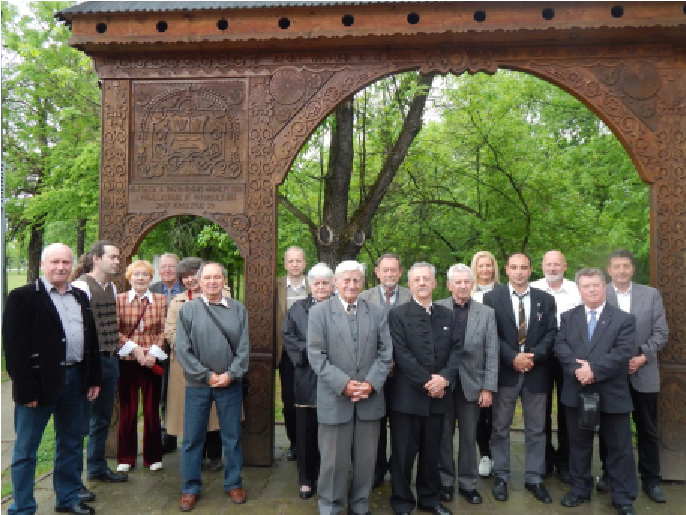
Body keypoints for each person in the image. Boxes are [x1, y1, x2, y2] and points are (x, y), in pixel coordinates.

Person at [3, 243, 101, 515]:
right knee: (26, 450)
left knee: (70, 443)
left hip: (75, 380)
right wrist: (25, 390)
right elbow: (14, 349)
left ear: (72, 265)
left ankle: (67, 498)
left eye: (66, 262)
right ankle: (23, 507)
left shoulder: (80, 296)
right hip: (38, 386)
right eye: (55, 262)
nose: (60, 267)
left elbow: (90, 340)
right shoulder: (22, 297)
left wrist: (93, 378)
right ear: (43, 265)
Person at [307, 260, 393, 515]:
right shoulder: (319, 312)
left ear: (363, 282)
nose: (351, 284)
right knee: (333, 461)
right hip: (335, 398)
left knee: (366, 460)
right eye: (346, 280)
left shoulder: (377, 312)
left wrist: (370, 384)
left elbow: (386, 353)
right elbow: (316, 355)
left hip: (369, 398)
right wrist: (344, 384)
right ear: (336, 282)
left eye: (356, 280)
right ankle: (330, 506)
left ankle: (359, 505)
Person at [555, 268, 638, 515]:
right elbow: (560, 345)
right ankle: (580, 489)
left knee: (619, 447)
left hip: (612, 393)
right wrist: (576, 370)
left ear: (604, 287)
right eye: (586, 286)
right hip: (577, 390)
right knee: (578, 446)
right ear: (579, 289)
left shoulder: (624, 319)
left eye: (595, 285)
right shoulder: (568, 317)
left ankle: (622, 497)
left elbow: (623, 353)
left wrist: (593, 370)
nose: (591, 290)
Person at [483, 252, 557, 504]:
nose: (519, 272)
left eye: (523, 267)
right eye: (514, 267)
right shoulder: (492, 298)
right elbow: (490, 334)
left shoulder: (545, 299)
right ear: (506, 270)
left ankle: (534, 478)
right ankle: (501, 476)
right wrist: (513, 357)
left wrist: (533, 357)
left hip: (536, 372)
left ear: (530, 269)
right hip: (505, 373)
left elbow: (552, 333)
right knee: (500, 428)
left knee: (537, 429)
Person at [175, 262, 250, 512]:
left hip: (230, 384)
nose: (212, 282)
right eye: (207, 278)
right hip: (198, 385)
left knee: (232, 437)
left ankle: (233, 483)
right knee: (193, 438)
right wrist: (206, 375)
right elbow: (182, 349)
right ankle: (190, 487)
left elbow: (244, 348)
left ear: (224, 280)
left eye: (217, 277)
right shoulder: (188, 310)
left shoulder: (238, 310)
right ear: (200, 281)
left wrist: (230, 374)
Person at [388, 262, 461, 515]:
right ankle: (402, 501)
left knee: (432, 454)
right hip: (407, 398)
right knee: (403, 454)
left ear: (435, 283)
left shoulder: (448, 315)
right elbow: (402, 354)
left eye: (426, 279)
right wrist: (428, 383)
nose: (422, 283)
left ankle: (429, 499)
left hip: (439, 397)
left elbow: (457, 350)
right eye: (417, 279)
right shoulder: (397, 315)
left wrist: (444, 379)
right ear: (409, 284)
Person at [596, 249, 669, 503]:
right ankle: (608, 473)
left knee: (647, 429)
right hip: (612, 375)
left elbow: (661, 332)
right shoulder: (601, 293)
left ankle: (651, 479)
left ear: (632, 269)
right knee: (610, 428)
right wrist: (614, 362)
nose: (621, 271)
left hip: (644, 371)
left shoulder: (650, 295)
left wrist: (642, 357)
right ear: (609, 269)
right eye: (616, 267)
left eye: (626, 266)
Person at [436, 264, 498, 505]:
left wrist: (488, 387)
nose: (462, 286)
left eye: (466, 282)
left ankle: (468, 483)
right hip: (444, 384)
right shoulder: (437, 308)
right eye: (457, 282)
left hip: (473, 383)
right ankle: (445, 482)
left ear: (472, 284)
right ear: (449, 285)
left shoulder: (486, 313)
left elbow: (492, 352)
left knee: (469, 436)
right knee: (443, 435)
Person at [72, 241, 128, 498]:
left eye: (118, 258)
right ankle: (73, 482)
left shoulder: (112, 287)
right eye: (113, 258)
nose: (117, 262)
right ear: (96, 258)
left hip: (110, 359)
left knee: (102, 419)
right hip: (89, 363)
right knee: (78, 423)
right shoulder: (82, 286)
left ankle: (96, 468)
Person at [357, 253, 412, 488]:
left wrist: (397, 361)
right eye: (385, 270)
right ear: (377, 273)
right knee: (375, 425)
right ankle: (377, 470)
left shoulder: (412, 297)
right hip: (372, 373)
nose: (389, 274)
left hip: (404, 374)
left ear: (400, 273)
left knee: (401, 426)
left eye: (394, 270)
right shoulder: (363, 298)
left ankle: (399, 470)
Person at [164, 258, 223, 472]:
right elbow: (170, 330)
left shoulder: (222, 296)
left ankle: (215, 455)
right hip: (184, 364)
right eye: (185, 276)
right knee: (191, 412)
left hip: (213, 361)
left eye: (193, 274)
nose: (190, 279)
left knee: (213, 411)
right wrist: (186, 346)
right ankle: (194, 456)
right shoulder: (177, 301)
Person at [282, 263, 335, 499]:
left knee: (332, 431)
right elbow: (289, 337)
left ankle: (329, 476)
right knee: (306, 431)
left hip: (335, 377)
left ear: (333, 285)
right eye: (317, 283)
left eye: (326, 282)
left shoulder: (341, 308)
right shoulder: (297, 309)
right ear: (310, 285)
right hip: (307, 377)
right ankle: (306, 478)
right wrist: (314, 353)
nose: (321, 287)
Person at [530, 250, 581, 483]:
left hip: (569, 356)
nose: (552, 268)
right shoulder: (533, 289)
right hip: (540, 356)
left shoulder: (576, 290)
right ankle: (545, 459)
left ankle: (565, 461)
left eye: (556, 264)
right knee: (540, 410)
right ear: (542, 266)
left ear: (565, 266)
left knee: (567, 408)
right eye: (548, 264)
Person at [116, 260, 168, 472]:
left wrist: (152, 354)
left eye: (144, 275)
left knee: (151, 410)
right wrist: (135, 349)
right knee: (128, 411)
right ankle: (126, 458)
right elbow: (115, 330)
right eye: (136, 274)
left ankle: (153, 457)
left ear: (150, 278)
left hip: (151, 362)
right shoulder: (119, 300)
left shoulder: (160, 300)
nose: (140, 278)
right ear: (129, 277)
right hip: (127, 361)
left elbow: (164, 329)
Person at [150, 252, 186, 454]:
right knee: (162, 393)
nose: (167, 270)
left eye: (171, 267)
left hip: (183, 348)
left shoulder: (187, 288)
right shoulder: (152, 289)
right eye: (163, 267)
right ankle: (167, 435)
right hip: (158, 350)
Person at [276, 246, 309, 460]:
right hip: (285, 352)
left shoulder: (315, 284)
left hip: (310, 352)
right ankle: (294, 443)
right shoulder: (276, 286)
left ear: (304, 263)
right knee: (289, 403)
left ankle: (309, 444)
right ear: (285, 264)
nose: (295, 264)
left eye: (298, 261)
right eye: (291, 261)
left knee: (308, 401)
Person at [469, 250, 499, 478]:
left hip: (500, 358)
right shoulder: (468, 292)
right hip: (476, 363)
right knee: (481, 412)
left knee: (499, 412)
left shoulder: (503, 292)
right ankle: (485, 454)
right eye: (481, 266)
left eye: (489, 265)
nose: (485, 270)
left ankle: (499, 453)